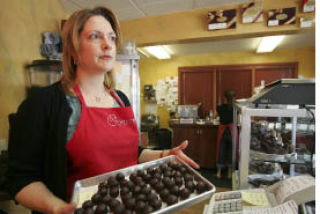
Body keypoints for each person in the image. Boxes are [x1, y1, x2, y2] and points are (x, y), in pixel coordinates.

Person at [6, 7, 199, 214]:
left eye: (112, 38)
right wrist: (58, 207)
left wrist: (165, 154)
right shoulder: (44, 104)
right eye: (95, 36)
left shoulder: (120, 99)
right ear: (73, 49)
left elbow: (132, 154)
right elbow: (20, 178)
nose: (108, 45)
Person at [215, 89, 235, 179]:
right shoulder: (235, 108)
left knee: (221, 151)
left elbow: (217, 116)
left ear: (224, 98)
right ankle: (229, 174)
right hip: (231, 131)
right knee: (231, 152)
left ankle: (218, 173)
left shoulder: (219, 108)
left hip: (223, 131)